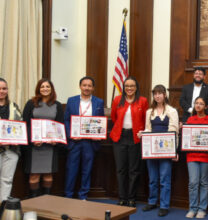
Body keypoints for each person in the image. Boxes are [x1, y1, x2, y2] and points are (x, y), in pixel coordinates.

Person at [64, 76, 104, 200]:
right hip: (75, 141)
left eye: (89, 86)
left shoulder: (99, 102)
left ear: (93, 88)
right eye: (84, 85)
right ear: (80, 86)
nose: (86, 88)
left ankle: (83, 196)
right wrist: (71, 134)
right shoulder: (71, 101)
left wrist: (99, 135)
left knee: (87, 170)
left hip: (90, 142)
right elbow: (66, 120)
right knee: (71, 169)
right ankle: (68, 195)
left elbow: (100, 121)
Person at [110, 76, 148, 207]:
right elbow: (114, 117)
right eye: (127, 86)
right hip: (120, 137)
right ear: (123, 88)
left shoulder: (143, 101)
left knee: (134, 170)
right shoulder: (117, 100)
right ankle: (122, 197)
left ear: (136, 87)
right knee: (121, 169)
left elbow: (145, 120)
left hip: (135, 137)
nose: (129, 88)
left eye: (132, 86)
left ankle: (132, 198)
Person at [141, 84, 179, 217]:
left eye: (160, 93)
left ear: (165, 95)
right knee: (152, 178)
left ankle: (164, 205)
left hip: (166, 151)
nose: (157, 96)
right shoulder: (148, 112)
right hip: (151, 150)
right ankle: (152, 202)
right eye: (155, 93)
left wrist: (174, 151)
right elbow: (147, 129)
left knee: (164, 179)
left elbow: (174, 131)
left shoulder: (172, 111)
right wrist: (142, 133)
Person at [22, 78, 64, 197]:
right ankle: (34, 201)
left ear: (51, 89)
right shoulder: (31, 103)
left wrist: (56, 140)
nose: (45, 89)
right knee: (34, 174)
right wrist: (32, 139)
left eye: (47, 87)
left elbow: (60, 125)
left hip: (50, 146)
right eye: (42, 87)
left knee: (48, 174)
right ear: (38, 89)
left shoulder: (57, 105)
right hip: (35, 146)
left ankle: (46, 200)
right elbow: (26, 124)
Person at [184, 96, 208, 219]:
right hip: (192, 155)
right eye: (196, 103)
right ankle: (192, 208)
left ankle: (202, 209)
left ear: (206, 106)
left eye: (201, 103)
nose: (198, 105)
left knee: (203, 182)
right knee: (193, 182)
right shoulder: (190, 119)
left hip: (206, 156)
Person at [0, 78, 22, 210]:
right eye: (0, 88)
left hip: (11, 150)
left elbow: (20, 127)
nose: (1, 91)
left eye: (4, 88)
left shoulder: (14, 106)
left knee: (7, 180)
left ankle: (3, 207)